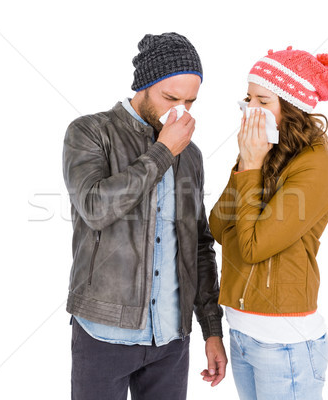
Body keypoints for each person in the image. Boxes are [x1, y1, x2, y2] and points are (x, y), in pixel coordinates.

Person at [62, 32, 227, 400]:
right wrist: (162, 151)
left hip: (171, 339)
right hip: (104, 332)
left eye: (190, 101)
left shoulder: (191, 154)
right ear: (144, 86)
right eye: (171, 98)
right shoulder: (90, 131)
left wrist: (211, 329)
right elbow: (95, 207)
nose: (180, 111)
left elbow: (199, 245)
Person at [208, 46, 328, 400]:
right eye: (247, 98)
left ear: (291, 106)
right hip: (241, 332)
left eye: (262, 101)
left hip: (285, 344)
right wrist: (246, 163)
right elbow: (220, 229)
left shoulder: (315, 166)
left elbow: (251, 248)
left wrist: (250, 167)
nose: (249, 110)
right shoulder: (263, 153)